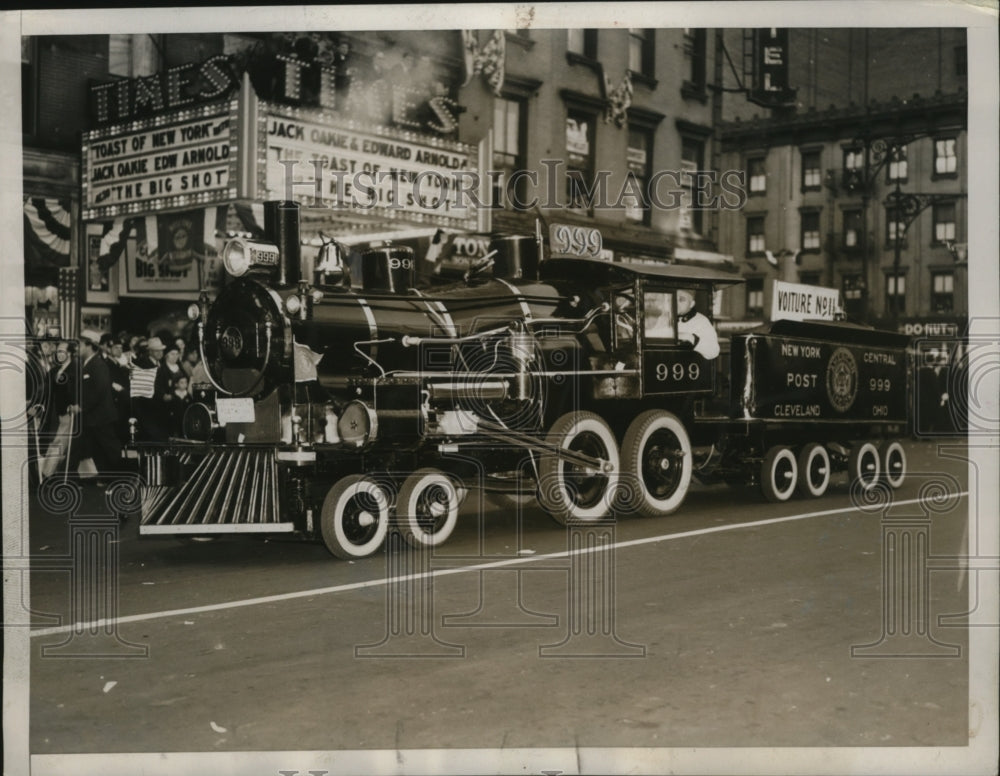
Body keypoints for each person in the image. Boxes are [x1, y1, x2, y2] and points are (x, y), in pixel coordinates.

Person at [66, 330, 121, 483]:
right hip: (90, 417)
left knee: (109, 449)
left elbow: (99, 390)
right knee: (80, 448)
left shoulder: (98, 365)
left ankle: (120, 479)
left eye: (80, 345)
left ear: (89, 346)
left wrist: (81, 406)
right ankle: (70, 480)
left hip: (101, 417)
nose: (77, 348)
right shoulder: (85, 364)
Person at [40, 339, 77, 480]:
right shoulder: (54, 371)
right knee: (55, 442)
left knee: (59, 443)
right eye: (58, 351)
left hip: (68, 414)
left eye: (62, 351)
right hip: (53, 414)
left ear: (70, 353)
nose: (59, 354)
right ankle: (49, 473)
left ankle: (47, 474)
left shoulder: (76, 370)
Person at [676, 288, 720, 360]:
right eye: (674, 298)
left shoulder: (701, 321)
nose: (676, 303)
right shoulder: (664, 318)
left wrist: (691, 338)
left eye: (681, 299)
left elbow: (714, 351)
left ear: (691, 304)